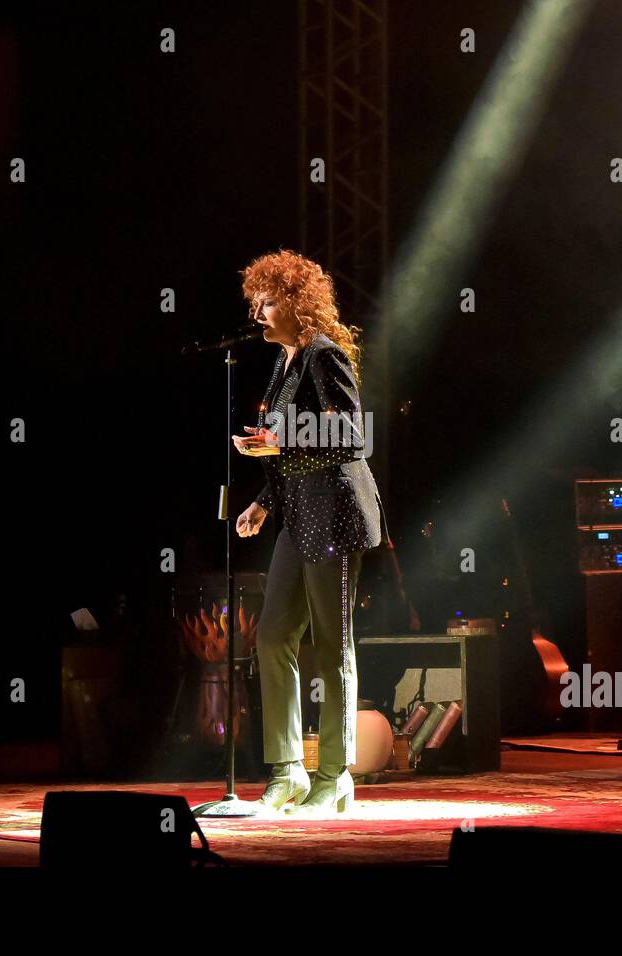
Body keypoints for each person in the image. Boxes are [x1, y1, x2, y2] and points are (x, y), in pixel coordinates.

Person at [233, 250, 387, 815]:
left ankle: (334, 775)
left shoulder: (324, 355)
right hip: (297, 511)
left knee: (330, 643)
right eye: (255, 302)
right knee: (273, 635)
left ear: (297, 302)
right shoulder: (285, 362)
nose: (258, 314)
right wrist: (262, 501)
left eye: (267, 302)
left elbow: (350, 434)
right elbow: (291, 447)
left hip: (335, 510)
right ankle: (288, 769)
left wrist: (281, 441)